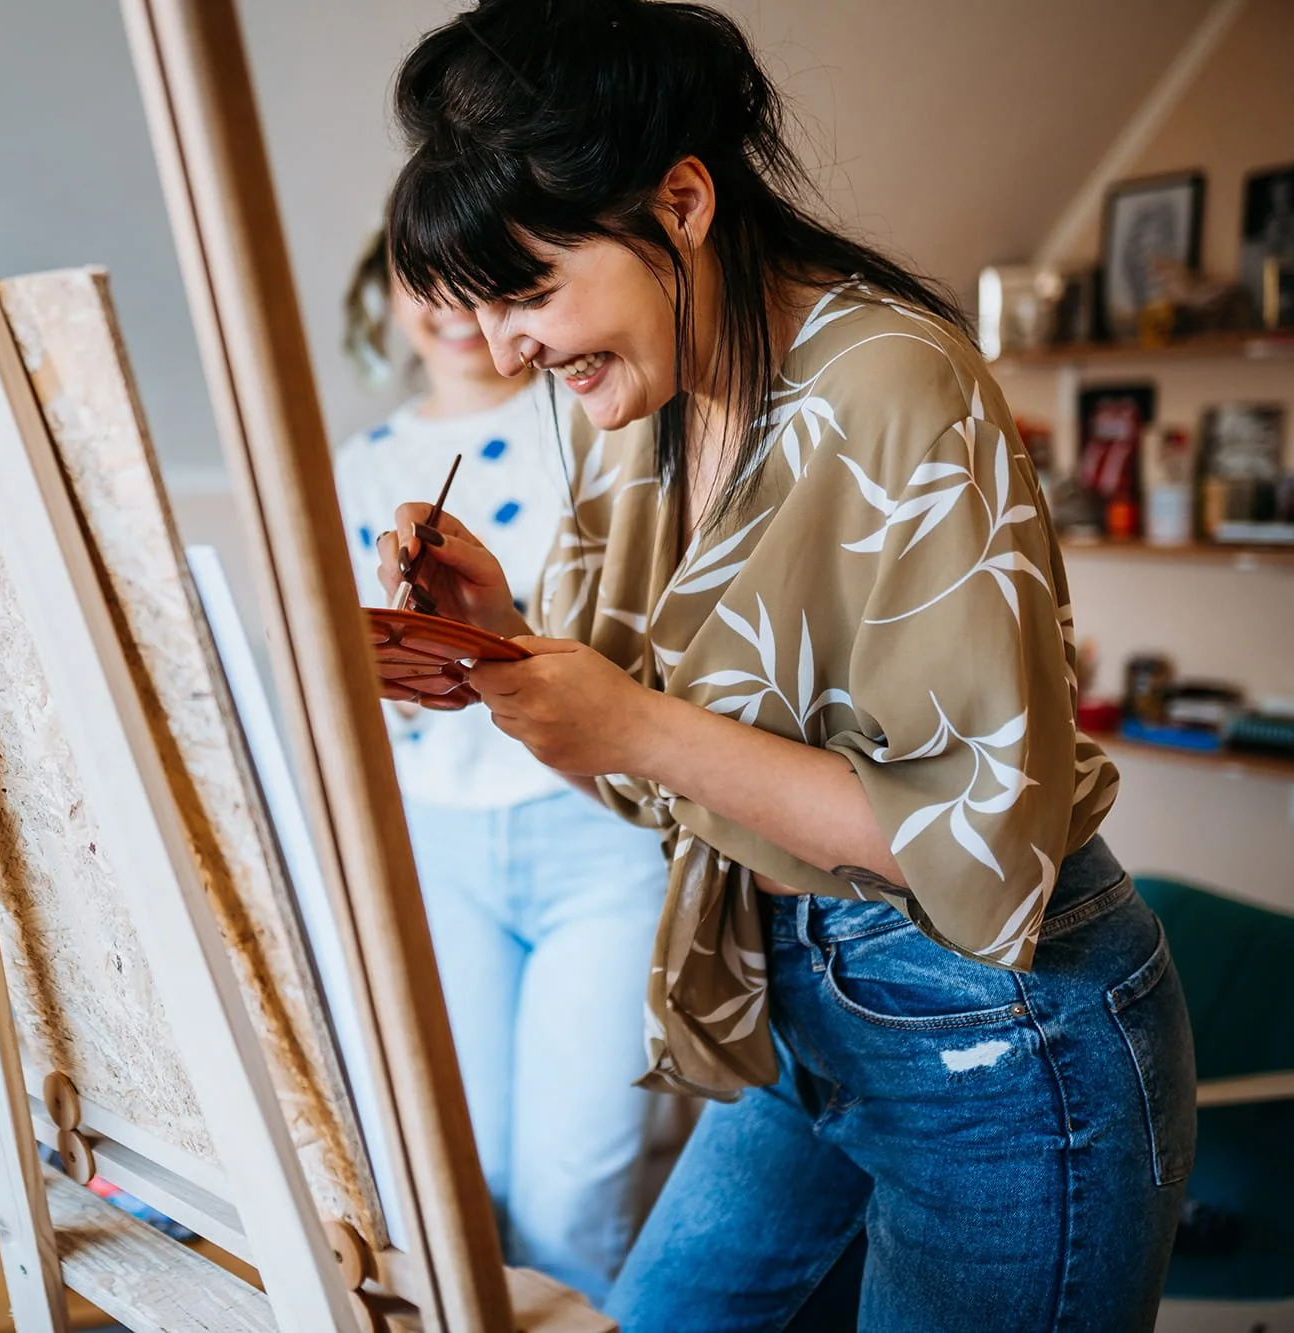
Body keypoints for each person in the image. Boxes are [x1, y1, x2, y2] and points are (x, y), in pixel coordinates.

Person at [373, 3, 1196, 1330]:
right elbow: (663, 780)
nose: (510, 346)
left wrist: (628, 722)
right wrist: (505, 639)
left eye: (531, 292)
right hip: (799, 993)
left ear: (683, 202)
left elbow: (983, 856)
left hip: (1004, 1037)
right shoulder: (636, 407)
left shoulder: (892, 386)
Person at [333, 229, 670, 1301]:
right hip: (433, 842)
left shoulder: (594, 420)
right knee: (457, 1181)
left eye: (475, 279)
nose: (447, 302)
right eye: (419, 278)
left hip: (594, 831)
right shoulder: (354, 462)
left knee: (573, 1192)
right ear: (381, 294)